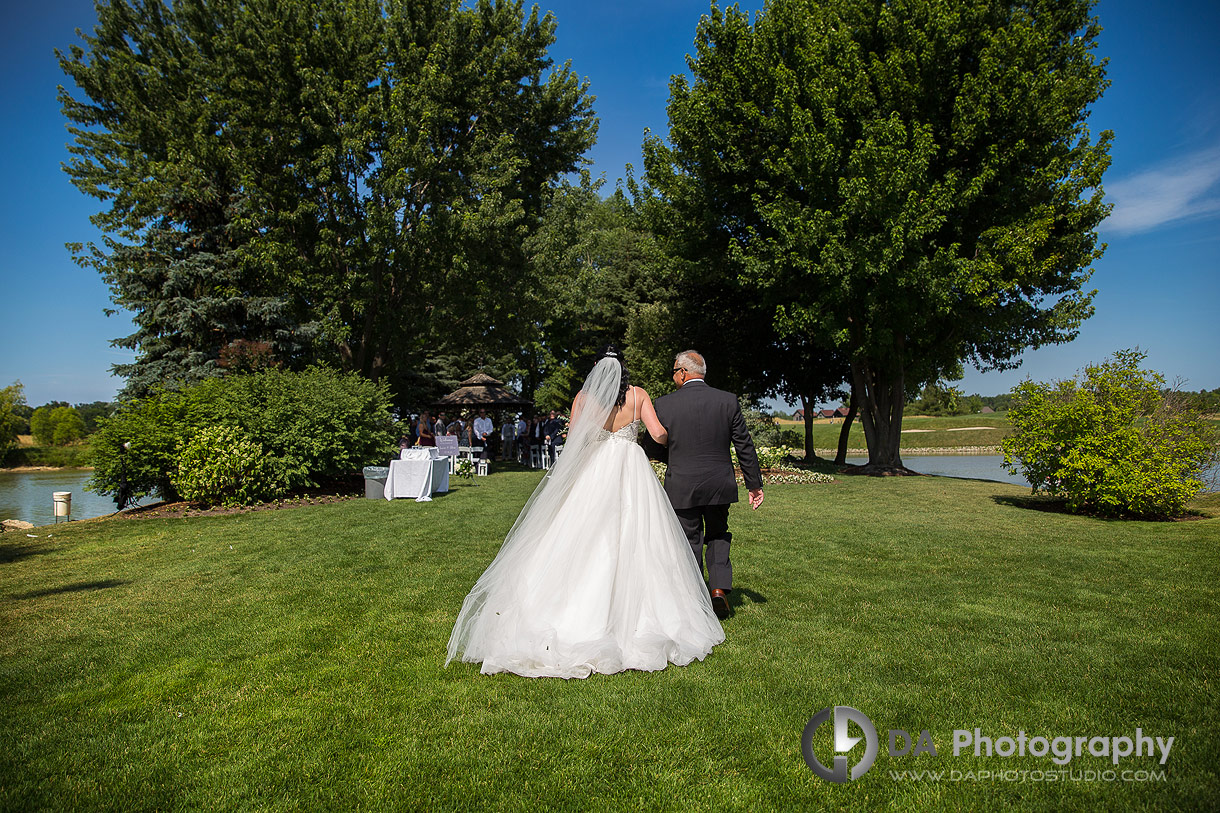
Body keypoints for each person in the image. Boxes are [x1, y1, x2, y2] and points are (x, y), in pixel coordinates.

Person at [447, 346, 724, 678]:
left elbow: (576, 438)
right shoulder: (638, 396)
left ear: (598, 370)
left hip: (595, 468)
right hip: (630, 468)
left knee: (584, 534)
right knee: (639, 536)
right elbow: (659, 434)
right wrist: (661, 438)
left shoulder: (584, 398)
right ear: (624, 371)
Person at [648, 350, 763, 620]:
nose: (673, 375)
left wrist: (675, 458)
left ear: (684, 373)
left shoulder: (663, 405)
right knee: (718, 533)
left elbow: (653, 447)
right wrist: (754, 484)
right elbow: (744, 445)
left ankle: (694, 595)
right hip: (718, 482)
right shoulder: (727, 401)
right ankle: (719, 590)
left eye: (675, 370)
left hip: (682, 483)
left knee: (689, 539)